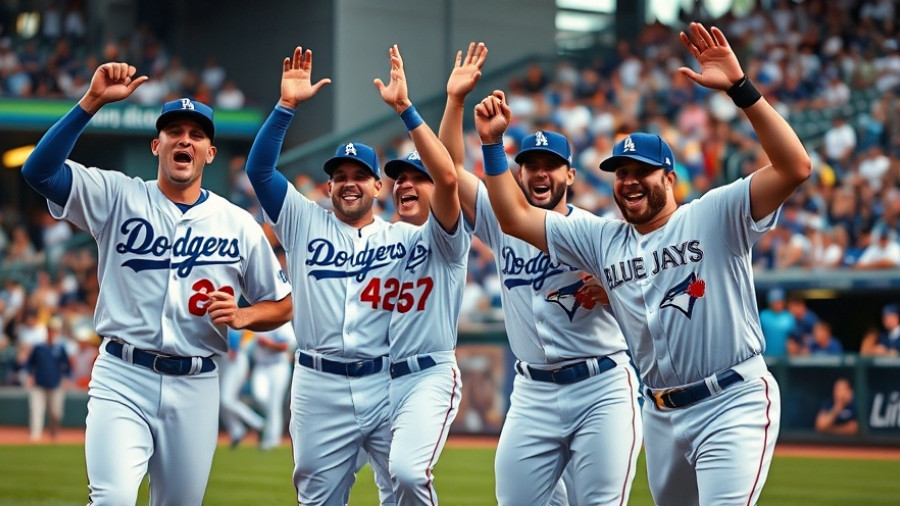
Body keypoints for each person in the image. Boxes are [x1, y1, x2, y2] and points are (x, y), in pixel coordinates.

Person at [477, 22, 811, 505]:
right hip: (661, 412)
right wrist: (491, 146)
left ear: (670, 178)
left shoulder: (713, 215)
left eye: (642, 172)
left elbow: (795, 167)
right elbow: (512, 216)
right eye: (620, 173)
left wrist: (742, 90)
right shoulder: (601, 240)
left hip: (731, 399)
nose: (629, 181)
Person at [21, 61, 293, 505]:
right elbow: (39, 173)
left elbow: (282, 304)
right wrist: (90, 103)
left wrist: (244, 315)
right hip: (122, 375)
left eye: (197, 134)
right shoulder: (117, 195)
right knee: (111, 499)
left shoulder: (237, 223)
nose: (185, 138)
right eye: (174, 131)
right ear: (156, 145)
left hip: (196, 382)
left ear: (209, 153)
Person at [439, 42, 641, 505]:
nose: (539, 174)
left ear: (570, 175)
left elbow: (642, 281)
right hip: (532, 393)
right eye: (530, 166)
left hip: (600, 386)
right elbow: (449, 170)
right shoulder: (500, 219)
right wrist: (454, 103)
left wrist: (613, 289)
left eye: (551, 165)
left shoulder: (595, 233)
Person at [244, 46, 398, 506]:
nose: (349, 182)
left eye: (360, 174)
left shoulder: (401, 238)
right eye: (339, 175)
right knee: (318, 499)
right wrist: (285, 107)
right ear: (328, 186)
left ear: (378, 185)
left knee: (406, 490)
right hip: (318, 381)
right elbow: (259, 169)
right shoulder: (301, 220)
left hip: (387, 380)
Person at [374, 45, 468, 505]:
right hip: (378, 379)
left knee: (410, 474)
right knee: (391, 493)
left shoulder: (445, 236)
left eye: (417, 177)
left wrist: (406, 109)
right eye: (399, 179)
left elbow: (449, 178)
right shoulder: (378, 237)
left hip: (429, 373)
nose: (405, 184)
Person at [25, 317, 71, 441]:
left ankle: (53, 432)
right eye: (50, 330)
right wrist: (29, 376)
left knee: (56, 413)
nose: (51, 333)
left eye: (54, 330)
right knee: (36, 411)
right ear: (47, 331)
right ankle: (36, 436)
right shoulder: (39, 347)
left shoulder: (60, 348)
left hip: (55, 384)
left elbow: (67, 366)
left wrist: (66, 378)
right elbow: (29, 364)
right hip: (38, 384)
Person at [250, 323, 293, 450]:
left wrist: (269, 344)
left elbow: (286, 346)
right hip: (261, 366)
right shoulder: (257, 319)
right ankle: (264, 425)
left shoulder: (281, 323)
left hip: (278, 366)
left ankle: (272, 440)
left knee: (274, 404)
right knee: (259, 397)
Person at [219, 328, 265, 448]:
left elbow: (233, 332)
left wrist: (233, 348)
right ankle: (237, 431)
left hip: (235, 358)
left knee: (226, 399)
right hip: (227, 359)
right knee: (222, 400)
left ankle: (258, 423)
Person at [758, 287, 795, 357]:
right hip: (766, 356)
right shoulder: (763, 316)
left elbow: (794, 337)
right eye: (776, 302)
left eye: (780, 301)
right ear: (770, 303)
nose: (779, 304)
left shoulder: (788, 317)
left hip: (785, 357)